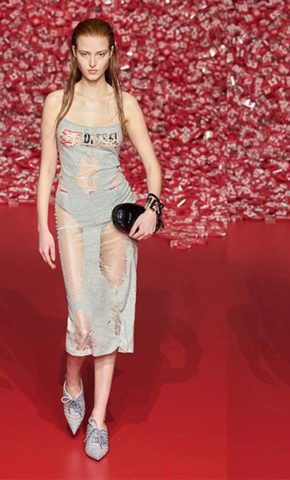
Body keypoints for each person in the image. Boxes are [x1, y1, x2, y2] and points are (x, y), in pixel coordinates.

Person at [36, 18, 163, 461]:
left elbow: (152, 165)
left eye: (100, 54)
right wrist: (41, 227)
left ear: (112, 55)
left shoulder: (125, 103)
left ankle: (98, 420)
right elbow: (47, 167)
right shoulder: (57, 102)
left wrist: (152, 209)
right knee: (82, 316)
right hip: (71, 214)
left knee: (109, 313)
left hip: (114, 216)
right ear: (74, 54)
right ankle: (72, 381)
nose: (92, 62)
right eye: (85, 54)